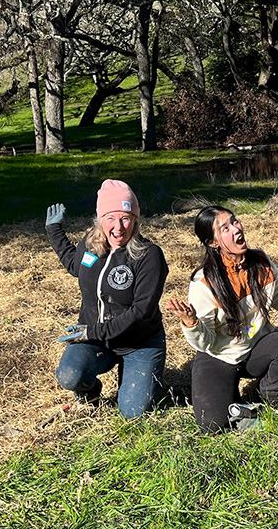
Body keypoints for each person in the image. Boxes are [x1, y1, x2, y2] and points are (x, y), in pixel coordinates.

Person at [165, 206, 278, 433]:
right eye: (225, 228)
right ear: (213, 242)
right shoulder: (203, 282)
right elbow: (205, 343)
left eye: (235, 222)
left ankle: (267, 397)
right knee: (211, 423)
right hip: (219, 355)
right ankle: (237, 406)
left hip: (256, 349)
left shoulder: (261, 261)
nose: (236, 229)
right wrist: (191, 323)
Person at [45, 179, 169, 419]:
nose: (118, 227)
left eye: (125, 218)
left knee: (134, 412)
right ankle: (90, 392)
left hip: (139, 342)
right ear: (100, 219)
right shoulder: (92, 245)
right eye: (111, 218)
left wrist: (92, 332)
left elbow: (141, 311)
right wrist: (54, 231)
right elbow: (75, 265)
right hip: (98, 339)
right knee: (70, 375)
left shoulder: (149, 255)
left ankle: (136, 373)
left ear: (135, 219)